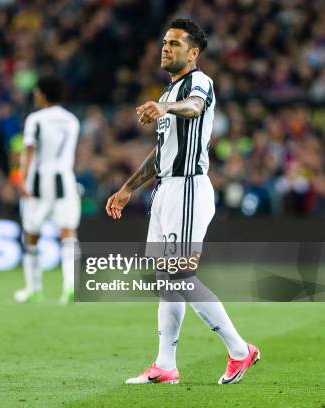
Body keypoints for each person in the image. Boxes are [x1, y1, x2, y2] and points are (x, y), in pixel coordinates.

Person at [105, 19, 260, 385]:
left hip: (189, 188)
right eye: (164, 42)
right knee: (166, 279)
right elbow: (161, 151)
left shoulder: (198, 83)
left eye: (174, 43)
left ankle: (240, 350)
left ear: (192, 53)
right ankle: (165, 365)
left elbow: (193, 107)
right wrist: (128, 188)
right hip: (165, 190)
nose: (165, 48)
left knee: (180, 273)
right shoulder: (167, 92)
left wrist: (168, 108)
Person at [14, 75, 81, 305]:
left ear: (42, 93)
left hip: (39, 180)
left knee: (31, 233)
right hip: (65, 178)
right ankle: (70, 285)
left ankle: (33, 288)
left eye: (36, 91)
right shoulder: (72, 120)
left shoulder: (35, 119)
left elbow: (29, 151)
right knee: (68, 232)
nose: (34, 95)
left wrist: (21, 179)